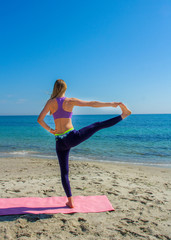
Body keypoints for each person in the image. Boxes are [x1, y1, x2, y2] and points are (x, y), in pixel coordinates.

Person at [37, 79, 131, 208]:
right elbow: (92, 104)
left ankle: (70, 201)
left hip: (59, 141)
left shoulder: (50, 102)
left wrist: (51, 130)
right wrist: (112, 104)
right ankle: (123, 115)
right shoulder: (69, 101)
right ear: (64, 89)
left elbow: (40, 120)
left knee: (64, 172)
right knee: (97, 125)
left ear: (55, 89)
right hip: (71, 137)